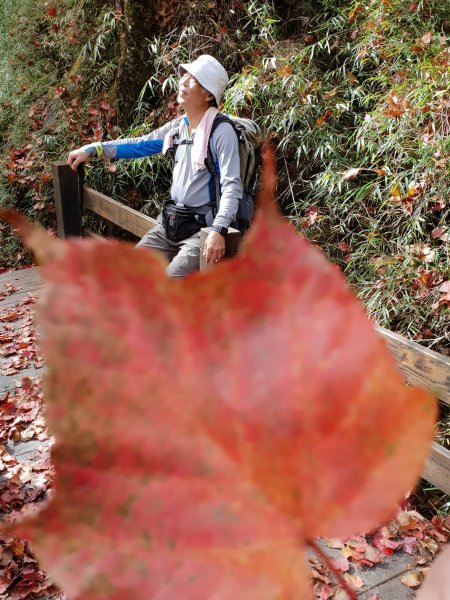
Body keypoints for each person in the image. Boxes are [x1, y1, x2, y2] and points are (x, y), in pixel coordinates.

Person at [67, 55, 243, 277]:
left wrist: (218, 230)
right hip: (172, 223)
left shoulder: (221, 132)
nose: (184, 81)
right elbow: (140, 144)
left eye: (194, 79)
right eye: (184, 75)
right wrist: (95, 149)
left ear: (209, 94)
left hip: (202, 230)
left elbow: (231, 186)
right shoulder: (179, 127)